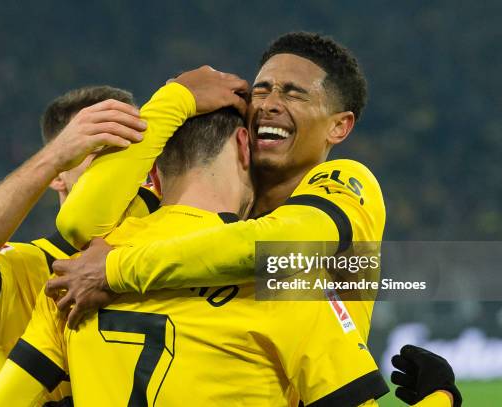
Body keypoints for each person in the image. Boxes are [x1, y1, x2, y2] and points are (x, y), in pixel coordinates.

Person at [0, 93, 390, 406]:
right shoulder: (281, 279)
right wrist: (440, 396)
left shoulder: (73, 279)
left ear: (153, 170)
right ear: (245, 146)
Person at [50, 32, 384, 346]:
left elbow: (280, 245)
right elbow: (80, 223)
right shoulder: (203, 199)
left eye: (294, 93)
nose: (269, 104)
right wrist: (176, 99)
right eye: (261, 90)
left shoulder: (348, 185)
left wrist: (117, 270)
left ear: (339, 126)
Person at [0, 85, 148, 404]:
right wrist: (53, 157)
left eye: (132, 151)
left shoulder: (163, 256)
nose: (121, 168)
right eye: (100, 151)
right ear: (59, 176)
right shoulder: (28, 268)